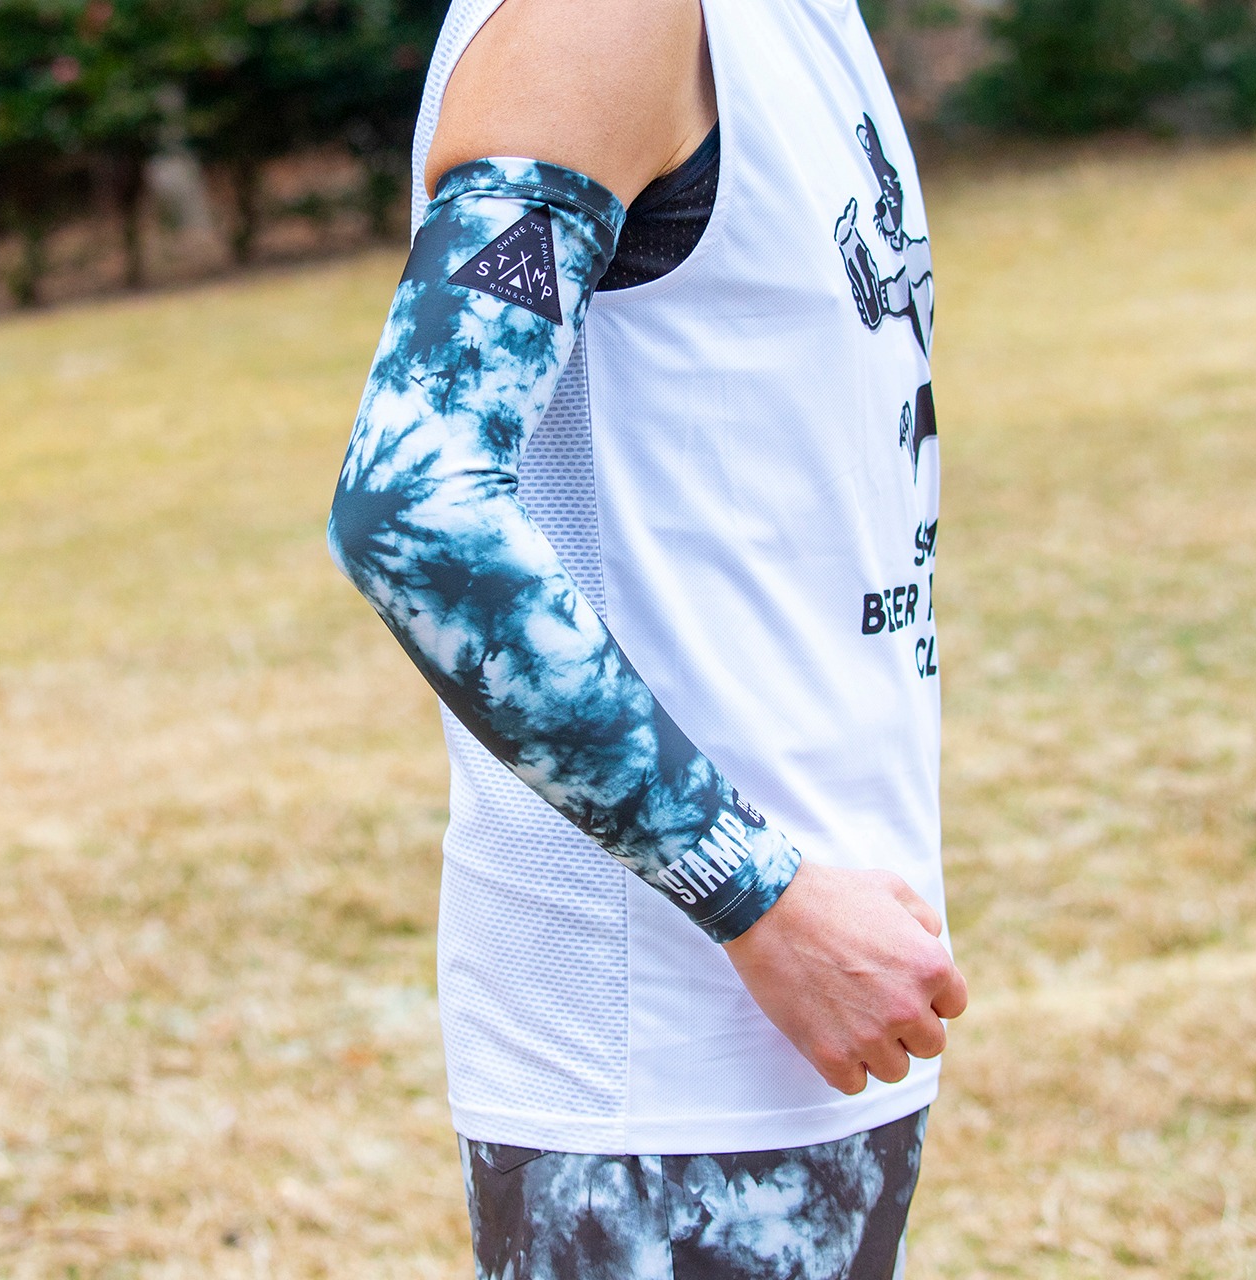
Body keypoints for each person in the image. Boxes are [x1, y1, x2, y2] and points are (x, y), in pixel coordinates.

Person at [327, 0, 968, 1274]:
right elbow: (413, 500)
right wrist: (754, 891)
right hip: (660, 1060)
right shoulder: (604, 18)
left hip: (825, 991)